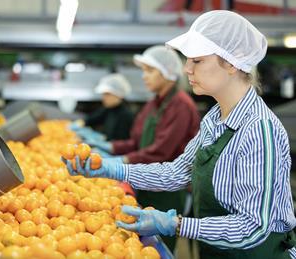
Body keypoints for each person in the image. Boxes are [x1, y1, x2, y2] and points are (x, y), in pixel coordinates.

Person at [63, 10, 296, 259]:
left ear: (231, 63)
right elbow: (176, 173)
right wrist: (113, 170)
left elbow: (253, 228)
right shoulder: (215, 119)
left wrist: (177, 225)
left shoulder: (258, 130)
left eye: (197, 61)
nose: (186, 69)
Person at [77, 45, 201, 251]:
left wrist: (121, 162)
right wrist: (108, 147)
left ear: (168, 73)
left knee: (159, 248)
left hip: (168, 190)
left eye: (149, 71)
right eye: (143, 70)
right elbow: (135, 141)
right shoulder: (153, 105)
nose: (144, 77)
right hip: (145, 180)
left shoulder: (180, 105)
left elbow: (161, 151)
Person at [71, 73, 134, 142]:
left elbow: (122, 141)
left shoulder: (126, 115)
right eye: (103, 94)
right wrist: (79, 124)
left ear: (118, 94)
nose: (104, 98)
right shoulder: (108, 109)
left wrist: (102, 143)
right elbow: (91, 119)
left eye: (107, 94)